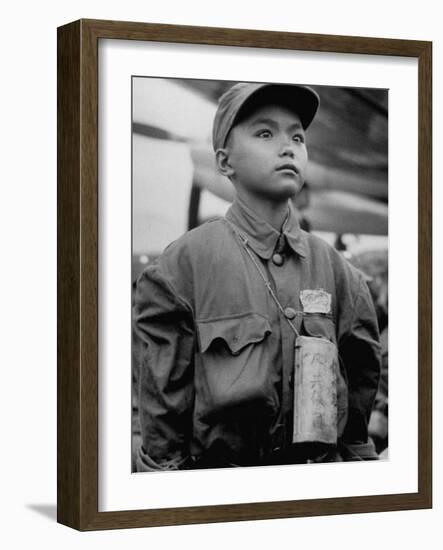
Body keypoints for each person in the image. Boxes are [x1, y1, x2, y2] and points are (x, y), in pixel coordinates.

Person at [133, 82, 381, 471]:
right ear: (224, 161)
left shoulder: (340, 274)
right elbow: (164, 439)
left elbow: (356, 422)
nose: (288, 147)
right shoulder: (179, 270)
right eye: (265, 133)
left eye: (297, 136)